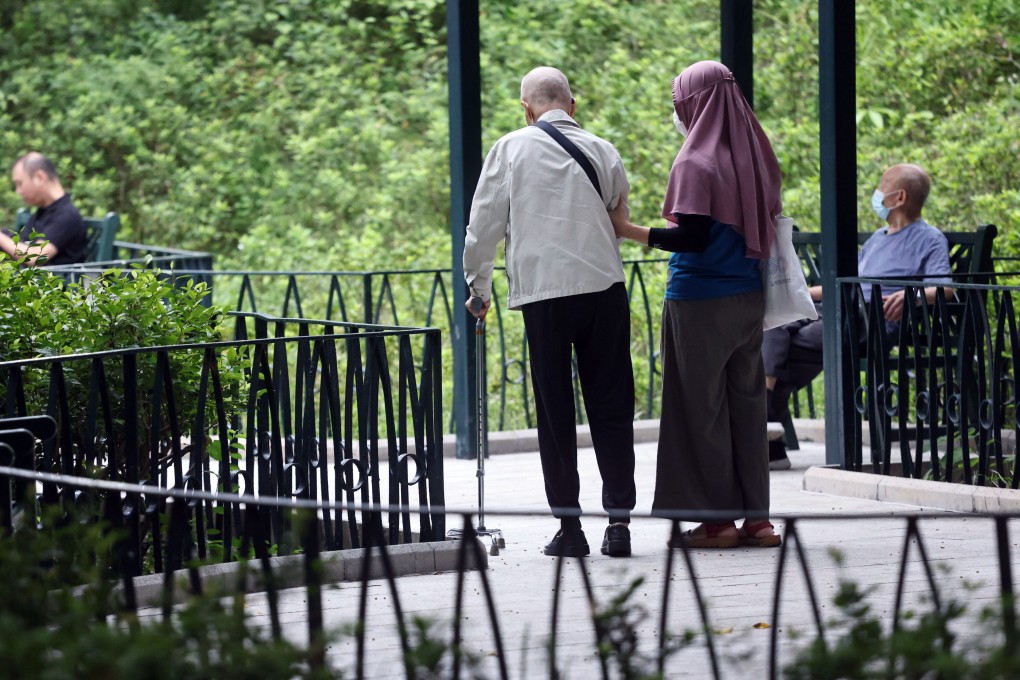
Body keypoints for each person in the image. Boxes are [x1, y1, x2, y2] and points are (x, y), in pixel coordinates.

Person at [462, 66, 636, 558]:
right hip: (604, 289)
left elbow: (483, 226)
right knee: (611, 405)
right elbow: (617, 214)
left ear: (526, 107)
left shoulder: (510, 148)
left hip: (544, 296)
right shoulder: (603, 150)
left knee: (556, 413)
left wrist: (480, 288)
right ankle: (619, 524)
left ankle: (571, 529)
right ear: (572, 106)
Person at [609, 60, 782, 549]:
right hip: (748, 298)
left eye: (678, 101)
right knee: (747, 407)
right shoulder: (756, 156)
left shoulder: (693, 163)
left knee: (698, 409)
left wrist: (629, 230)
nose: (677, 112)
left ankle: (716, 524)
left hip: (699, 301)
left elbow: (691, 237)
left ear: (695, 103)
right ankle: (757, 521)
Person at [762, 163, 951, 469]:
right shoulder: (877, 238)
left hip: (874, 320)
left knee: (782, 352)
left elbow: (944, 289)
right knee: (775, 321)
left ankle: (767, 434)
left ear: (898, 197)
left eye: (882, 185)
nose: (877, 192)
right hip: (843, 310)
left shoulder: (929, 239)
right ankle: (767, 425)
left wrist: (910, 295)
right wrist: (795, 294)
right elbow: (850, 282)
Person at [1, 152, 86, 266]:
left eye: (20, 183)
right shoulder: (43, 212)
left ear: (39, 177)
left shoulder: (66, 215)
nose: (18, 191)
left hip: (56, 282)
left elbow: (35, 257)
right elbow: (22, 244)